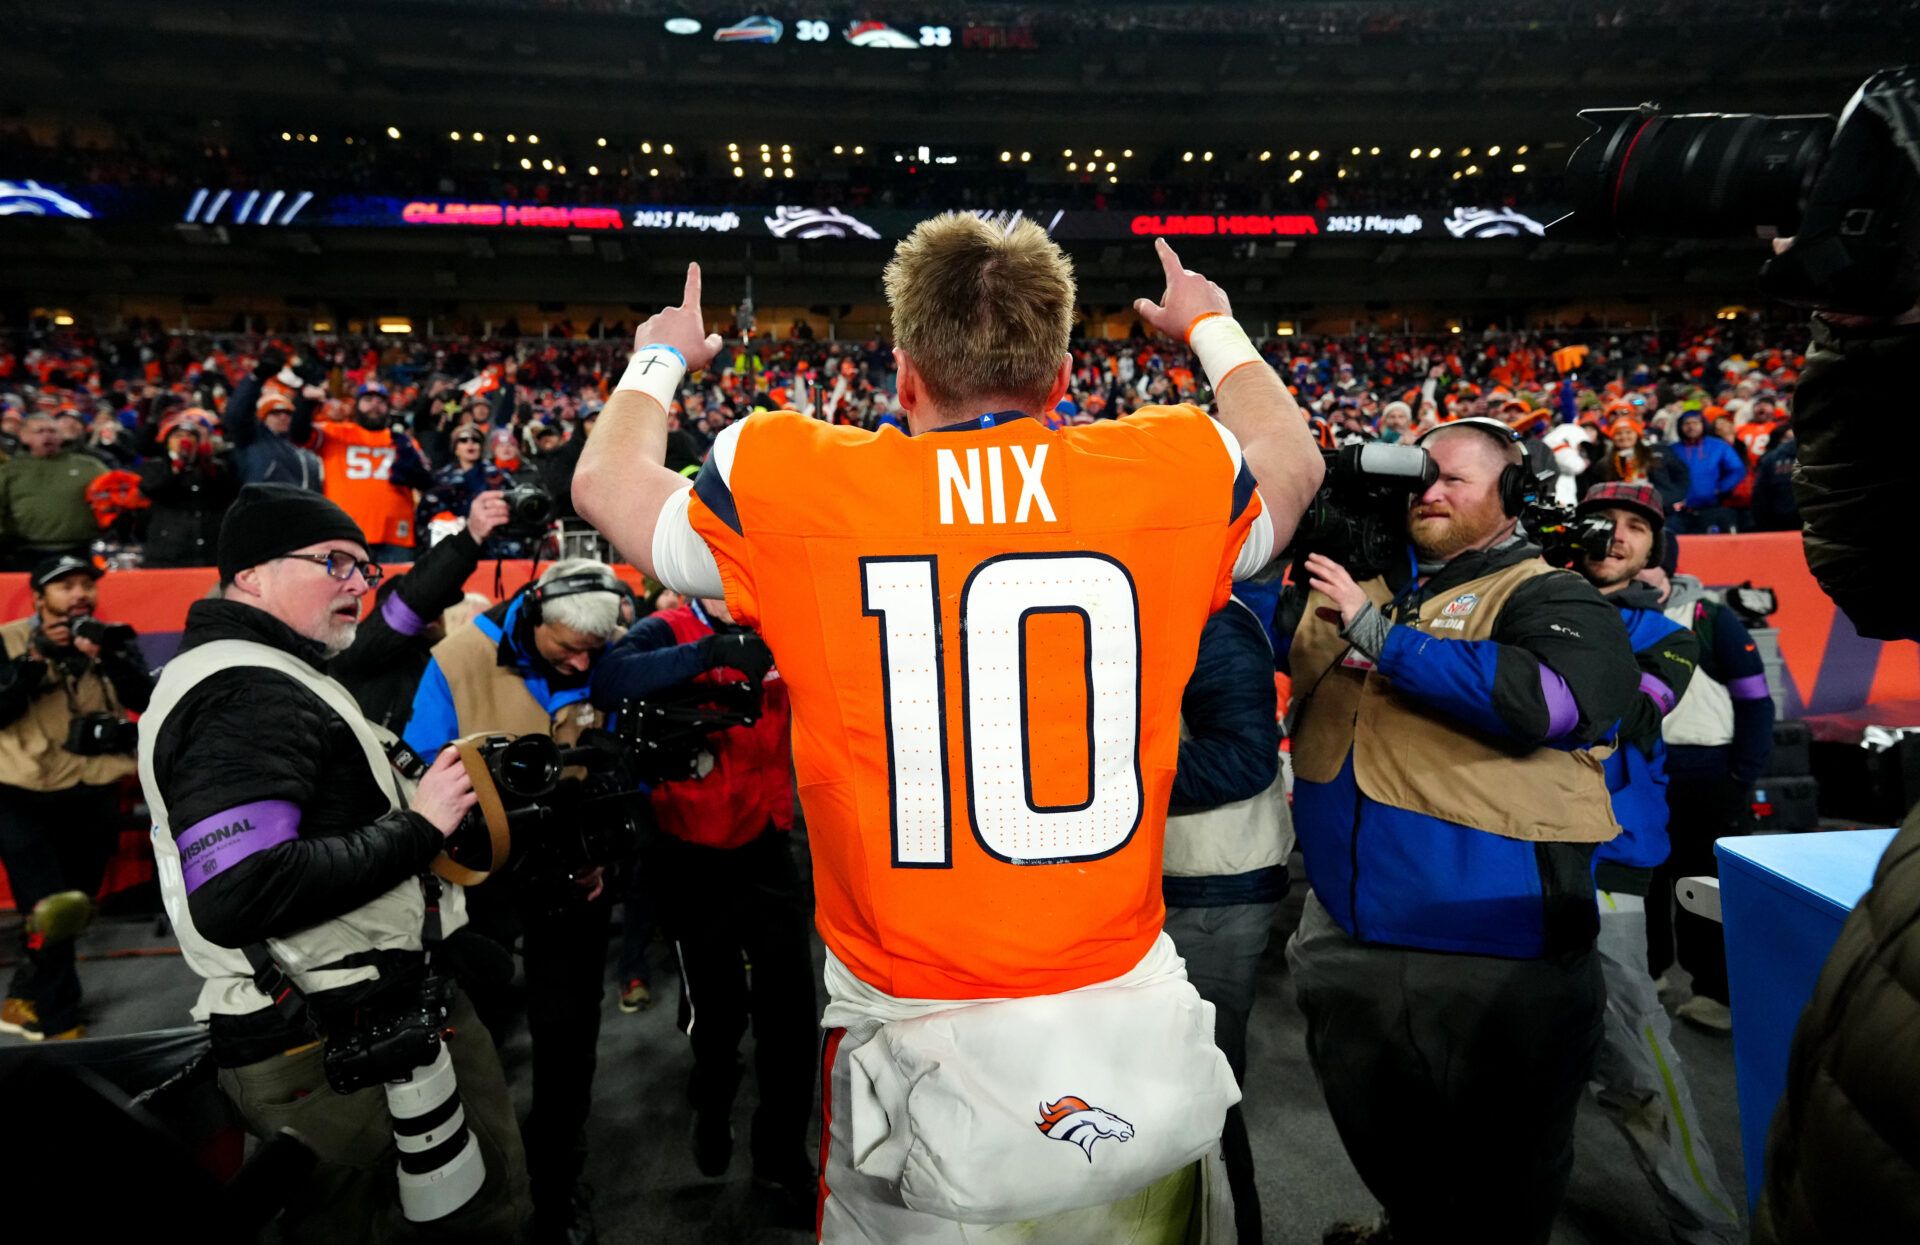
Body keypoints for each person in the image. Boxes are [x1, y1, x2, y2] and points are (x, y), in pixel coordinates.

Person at [573, 223, 1323, 1242]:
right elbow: (1292, 459)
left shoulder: (789, 472)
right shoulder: (1175, 464)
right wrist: (1214, 329)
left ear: (903, 369)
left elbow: (607, 487)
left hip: (910, 1024)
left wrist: (658, 359)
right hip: (1117, 1002)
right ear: (1062, 374)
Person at [136, 483, 528, 1241]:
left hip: (342, 1014)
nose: (358, 581)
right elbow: (240, 890)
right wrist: (421, 826)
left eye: (364, 566)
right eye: (335, 562)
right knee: (458, 1217)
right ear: (251, 574)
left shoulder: (265, 671)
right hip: (331, 1031)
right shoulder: (245, 690)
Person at [1281, 416, 1638, 1245]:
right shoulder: (1364, 581)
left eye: (1455, 480)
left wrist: (1385, 641)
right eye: (1419, 480)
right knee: (1384, 1141)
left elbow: (1551, 702)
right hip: (1348, 934)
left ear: (1512, 496)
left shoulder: (1549, 590)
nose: (1429, 493)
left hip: (1492, 951)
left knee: (1503, 1175)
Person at [403, 558, 631, 1244]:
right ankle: (487, 1185)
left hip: (572, 872)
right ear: (533, 613)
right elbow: (419, 767)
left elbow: (615, 766)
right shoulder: (457, 658)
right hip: (479, 881)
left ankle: (557, 1185)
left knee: (568, 1038)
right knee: (479, 1038)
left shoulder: (606, 654)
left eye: (594, 649)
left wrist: (597, 853)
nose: (582, 660)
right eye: (568, 646)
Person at [588, 593, 818, 1222]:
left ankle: (781, 1160)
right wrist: (708, 652)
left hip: (772, 843)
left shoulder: (783, 619)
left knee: (793, 1018)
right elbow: (608, 680)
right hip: (691, 854)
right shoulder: (669, 626)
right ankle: (711, 1104)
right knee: (717, 1018)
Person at [1573, 481, 1742, 1245]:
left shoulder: (1665, 633)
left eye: (1635, 528)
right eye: (1602, 522)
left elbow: (1621, 713)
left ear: (1654, 549)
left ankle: (1709, 1229)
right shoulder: (1521, 602)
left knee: (1642, 1067)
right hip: (1503, 863)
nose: (1615, 537)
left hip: (1609, 869)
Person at [1161, 589, 1289, 1245]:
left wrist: (1084, 772)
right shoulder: (1142, 594)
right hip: (1163, 882)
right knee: (1147, 1094)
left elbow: (1243, 758)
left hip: (1211, 887)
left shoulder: (1211, 617)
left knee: (1201, 1099)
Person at [0, 556, 151, 1041]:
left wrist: (112, 657)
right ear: (39, 596)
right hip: (22, 789)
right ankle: (59, 1020)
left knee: (75, 906)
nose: (80, 593)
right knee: (54, 907)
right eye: (65, 585)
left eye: (87, 584)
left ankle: (24, 996)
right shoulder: (7, 640)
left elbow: (144, 698)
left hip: (93, 787)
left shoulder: (108, 639)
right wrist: (35, 663)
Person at [1642, 533, 1775, 1034]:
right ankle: (1646, 973)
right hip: (1637, 776)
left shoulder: (1710, 617)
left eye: (1650, 561)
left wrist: (1741, 775)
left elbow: (1757, 702)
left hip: (1707, 775)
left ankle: (1716, 994)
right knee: (1643, 883)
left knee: (1701, 889)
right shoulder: (1606, 611)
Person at [332, 489, 510, 734]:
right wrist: (470, 538)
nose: (432, 616)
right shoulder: (360, 652)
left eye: (438, 610)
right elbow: (416, 599)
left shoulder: (446, 661)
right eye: (427, 611)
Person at [309, 381, 434, 562]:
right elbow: (300, 434)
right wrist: (308, 403)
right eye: (368, 399)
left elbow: (427, 481)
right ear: (356, 405)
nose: (375, 405)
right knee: (346, 589)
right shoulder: (334, 432)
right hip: (345, 533)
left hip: (395, 536)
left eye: (381, 401)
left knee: (396, 590)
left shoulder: (403, 441)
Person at [0, 410, 107, 570]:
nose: (47, 436)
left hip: (81, 548)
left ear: (61, 436)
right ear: (24, 436)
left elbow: (113, 494)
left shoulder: (89, 466)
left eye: (52, 431)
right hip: (24, 551)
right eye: (40, 431)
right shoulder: (10, 470)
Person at [137, 409, 239, 568]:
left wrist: (207, 460)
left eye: (190, 436)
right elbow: (152, 489)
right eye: (178, 436)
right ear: (167, 441)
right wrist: (176, 469)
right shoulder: (155, 467)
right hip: (168, 551)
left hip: (207, 550)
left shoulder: (214, 469)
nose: (184, 440)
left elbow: (228, 495)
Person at [416, 428, 523, 557]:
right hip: (453, 544)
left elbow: (515, 509)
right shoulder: (442, 478)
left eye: (475, 440)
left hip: (493, 545)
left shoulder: (498, 476)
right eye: (464, 440)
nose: (470, 443)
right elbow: (426, 513)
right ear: (456, 448)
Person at [1577, 417, 1690, 512]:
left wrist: (1670, 497)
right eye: (1618, 433)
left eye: (1628, 432)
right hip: (1622, 511)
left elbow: (1682, 475)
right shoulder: (1604, 464)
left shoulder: (1656, 453)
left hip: (1657, 508)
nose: (1624, 437)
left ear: (1637, 434)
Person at [1667, 410, 1746, 534]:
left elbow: (1737, 469)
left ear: (1703, 425)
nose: (1691, 427)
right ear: (1680, 427)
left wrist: (1722, 488)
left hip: (1711, 508)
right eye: (1686, 424)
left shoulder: (1718, 446)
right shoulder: (1672, 450)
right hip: (1679, 512)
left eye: (1695, 423)